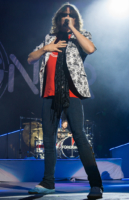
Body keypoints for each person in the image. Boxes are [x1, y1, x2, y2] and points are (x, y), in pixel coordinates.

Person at [27, 2, 103, 199]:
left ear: (76, 19)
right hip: (50, 95)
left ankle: (96, 184)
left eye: (71, 15)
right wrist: (47, 48)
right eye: (63, 15)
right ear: (57, 18)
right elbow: (30, 58)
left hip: (71, 94)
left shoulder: (81, 36)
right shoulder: (49, 39)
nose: (66, 17)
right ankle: (48, 182)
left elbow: (91, 49)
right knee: (49, 138)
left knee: (80, 136)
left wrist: (73, 30)